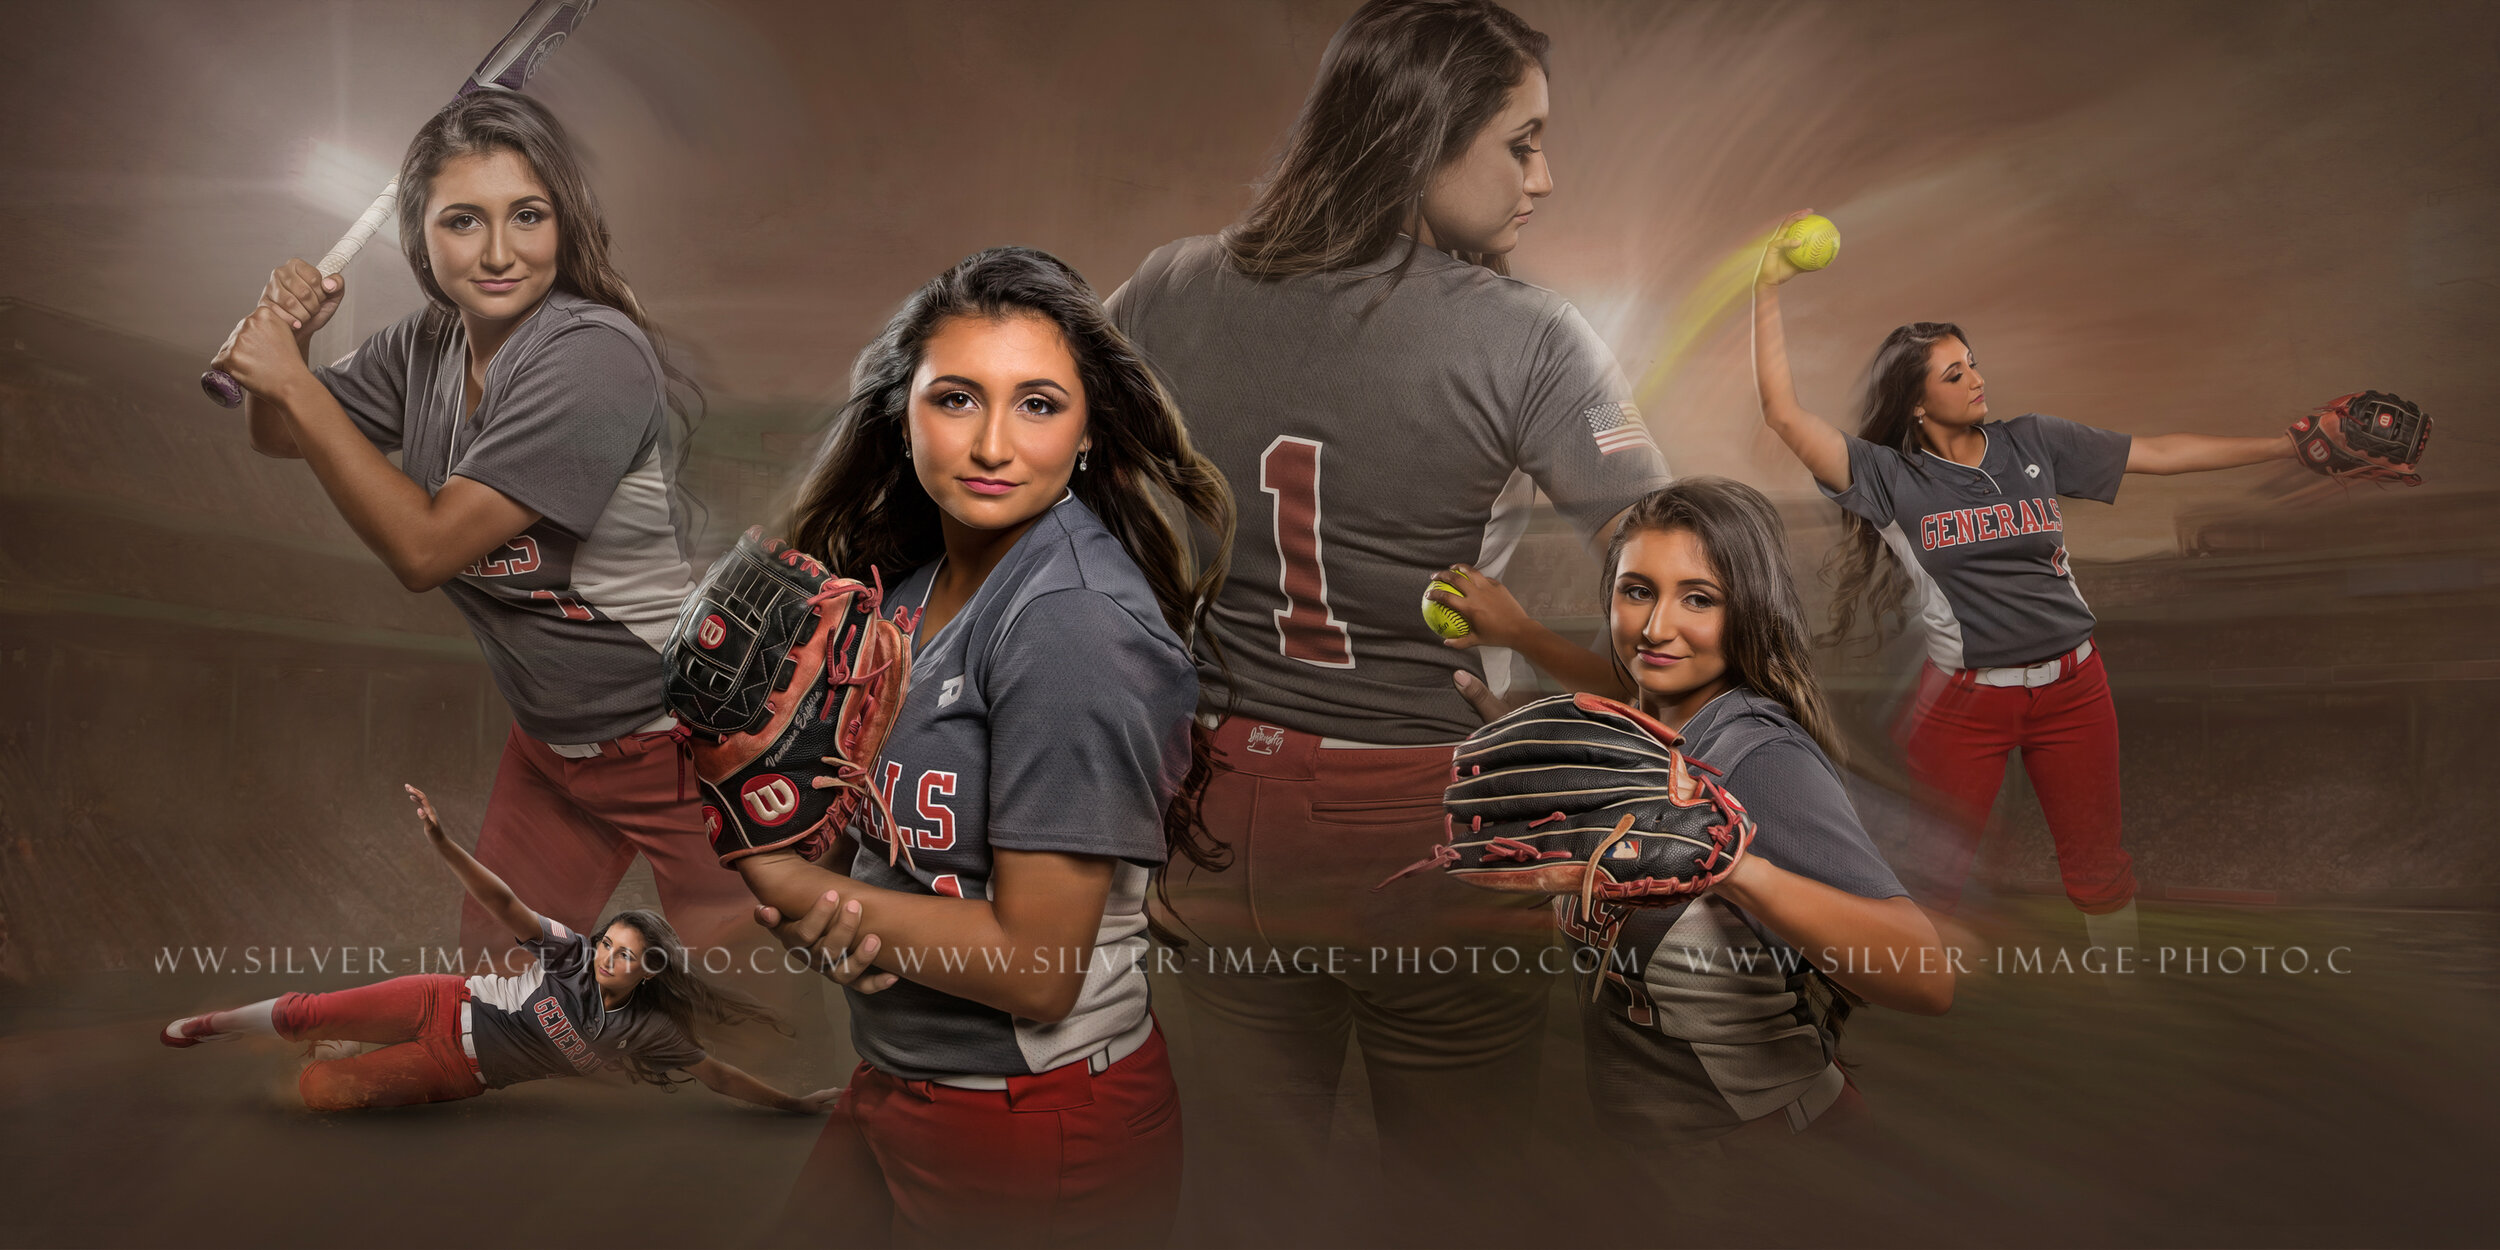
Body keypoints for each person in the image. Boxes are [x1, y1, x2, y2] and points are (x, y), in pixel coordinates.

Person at [1102, 1, 1671, 1239]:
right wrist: (1578, 696)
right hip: (1426, 811)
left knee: (1245, 1196)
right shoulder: (1525, 338)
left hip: (1212, 808)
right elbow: (1686, 577)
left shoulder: (1167, 285)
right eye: (1519, 144)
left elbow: (1057, 502)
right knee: (1451, 1199)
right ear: (1421, 137)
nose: (1546, 177)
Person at [737, 247, 1232, 1248]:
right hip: (902, 1082)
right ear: (900, 413)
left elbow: (1040, 965)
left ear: (1088, 430)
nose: (994, 443)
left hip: (1032, 1120)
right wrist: (808, 866)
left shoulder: (1068, 623)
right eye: (956, 398)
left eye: (1039, 404)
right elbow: (885, 858)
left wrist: (797, 889)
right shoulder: (910, 593)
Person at [208, 91, 745, 968]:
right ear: (419, 239)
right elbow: (279, 435)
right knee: (502, 996)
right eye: (463, 221)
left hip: (678, 736)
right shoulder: (423, 345)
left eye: (527, 215)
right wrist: (294, 351)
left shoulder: (593, 355)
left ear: (563, 222)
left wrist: (290, 383)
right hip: (551, 741)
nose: (499, 252)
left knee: (769, 1005)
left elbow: (425, 550)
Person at [1750, 209, 2298, 951]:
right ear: (1917, 402)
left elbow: (2162, 451)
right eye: (1955, 373)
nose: (1978, 378)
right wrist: (1768, 287)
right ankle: (1905, 1017)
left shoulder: (2032, 442)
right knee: (1931, 880)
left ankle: (2119, 1005)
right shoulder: (1888, 477)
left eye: (1974, 362)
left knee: (2099, 868)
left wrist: (2290, 447)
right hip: (1965, 705)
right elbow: (1783, 414)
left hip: (2076, 689)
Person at [1560, 478, 1950, 1157]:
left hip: (1773, 1161)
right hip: (1664, 1168)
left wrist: (1740, 871)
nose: (1655, 628)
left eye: (1698, 599)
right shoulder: (1646, 742)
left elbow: (1925, 974)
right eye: (1637, 590)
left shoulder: (1757, 756)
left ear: (1748, 612)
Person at [161, 786, 838, 1115]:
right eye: (609, 944)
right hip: (440, 999)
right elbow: (506, 903)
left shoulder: (648, 1030)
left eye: (624, 955)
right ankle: (211, 1027)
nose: (607, 957)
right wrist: (443, 844)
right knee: (310, 1013)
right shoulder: (570, 954)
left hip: (460, 1071)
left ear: (649, 970)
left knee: (322, 1094)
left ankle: (347, 1057)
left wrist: (795, 1105)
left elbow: (718, 1075)